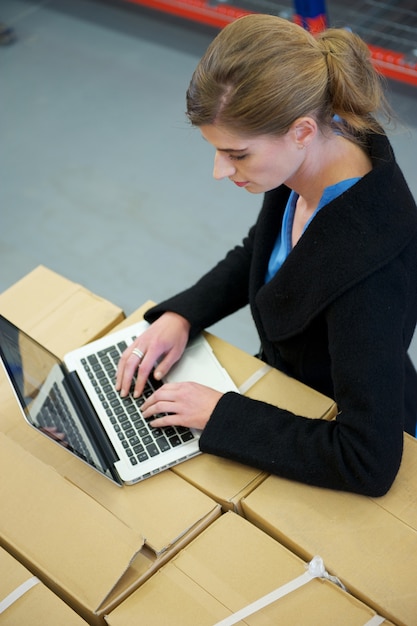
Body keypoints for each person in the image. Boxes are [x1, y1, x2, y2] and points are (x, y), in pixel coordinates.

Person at [116, 14, 417, 496]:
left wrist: (220, 415)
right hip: (288, 385)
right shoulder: (320, 146)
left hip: (324, 419)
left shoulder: (369, 275)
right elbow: (266, 250)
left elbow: (368, 460)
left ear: (299, 130)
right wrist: (182, 315)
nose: (220, 171)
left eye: (237, 154)